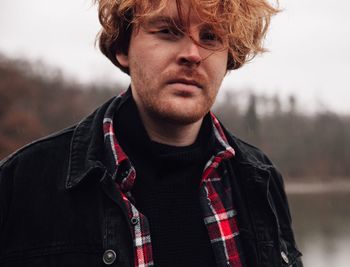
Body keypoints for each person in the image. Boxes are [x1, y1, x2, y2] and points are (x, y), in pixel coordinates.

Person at [0, 0, 303, 266]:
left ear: (229, 60)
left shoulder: (260, 178)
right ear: (123, 47)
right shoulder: (20, 183)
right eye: (168, 31)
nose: (192, 54)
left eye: (210, 37)